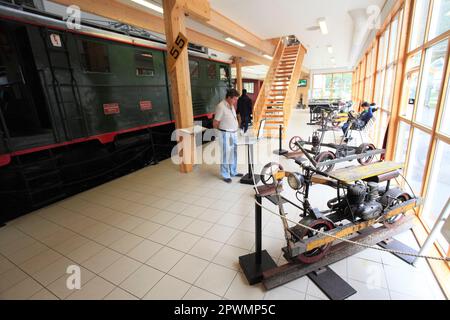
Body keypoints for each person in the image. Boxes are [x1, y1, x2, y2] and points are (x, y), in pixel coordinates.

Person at [214, 89, 244, 183]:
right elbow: (215, 123)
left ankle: (233, 171)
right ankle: (225, 174)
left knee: (233, 153)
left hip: (233, 133)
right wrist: (221, 133)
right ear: (228, 97)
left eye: (236, 99)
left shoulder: (231, 106)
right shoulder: (221, 106)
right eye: (234, 99)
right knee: (225, 154)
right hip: (225, 133)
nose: (236, 102)